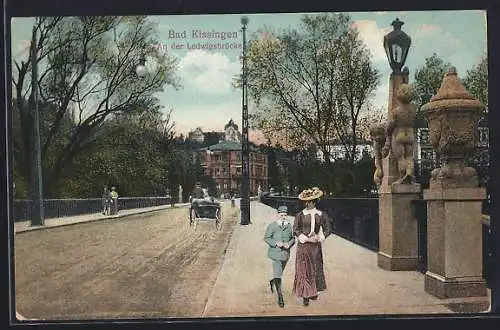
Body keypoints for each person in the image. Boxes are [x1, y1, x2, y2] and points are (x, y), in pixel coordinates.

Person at [292, 187, 331, 306]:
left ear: (314, 202)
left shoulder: (321, 214)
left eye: (310, 202)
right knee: (304, 269)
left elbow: (327, 229)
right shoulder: (300, 215)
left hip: (315, 247)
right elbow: (296, 229)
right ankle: (305, 295)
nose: (307, 204)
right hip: (303, 246)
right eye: (306, 202)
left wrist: (319, 237)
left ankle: (313, 291)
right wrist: (304, 238)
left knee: (314, 267)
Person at [264, 205, 295, 308]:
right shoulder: (272, 226)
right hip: (276, 254)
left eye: (285, 215)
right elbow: (267, 238)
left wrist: (289, 244)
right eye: (281, 215)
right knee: (278, 274)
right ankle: (280, 298)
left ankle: (273, 281)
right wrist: (276, 243)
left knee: (279, 273)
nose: (283, 217)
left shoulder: (289, 226)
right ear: (277, 215)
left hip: (285, 254)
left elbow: (293, 238)